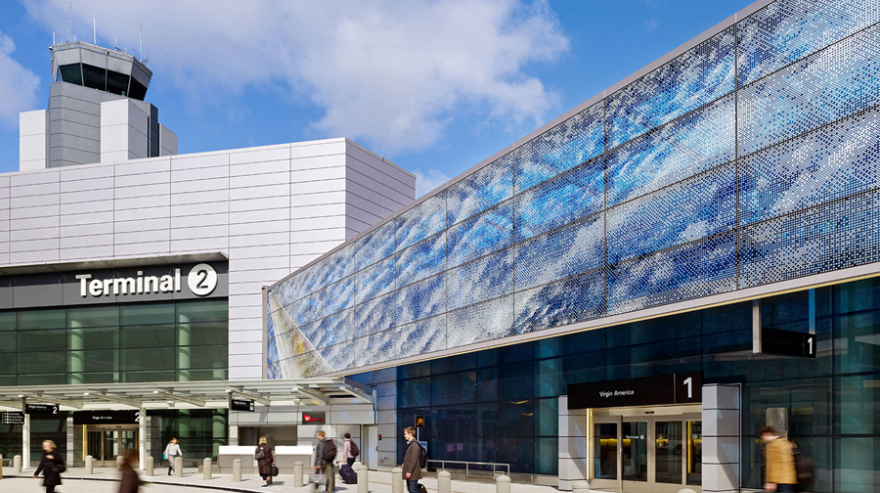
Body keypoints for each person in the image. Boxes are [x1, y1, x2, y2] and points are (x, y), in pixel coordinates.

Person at [761, 426, 797, 492]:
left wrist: (772, 481)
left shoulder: (772, 446)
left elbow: (773, 465)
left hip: (780, 480)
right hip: (789, 479)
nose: (763, 438)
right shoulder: (785, 443)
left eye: (763, 436)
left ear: (766, 434)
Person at [402, 427, 422, 493]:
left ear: (410, 434)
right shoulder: (411, 444)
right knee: (410, 489)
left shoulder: (414, 445)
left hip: (413, 472)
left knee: (413, 490)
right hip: (409, 471)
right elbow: (409, 457)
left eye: (406, 434)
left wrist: (409, 471)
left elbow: (414, 460)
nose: (404, 436)